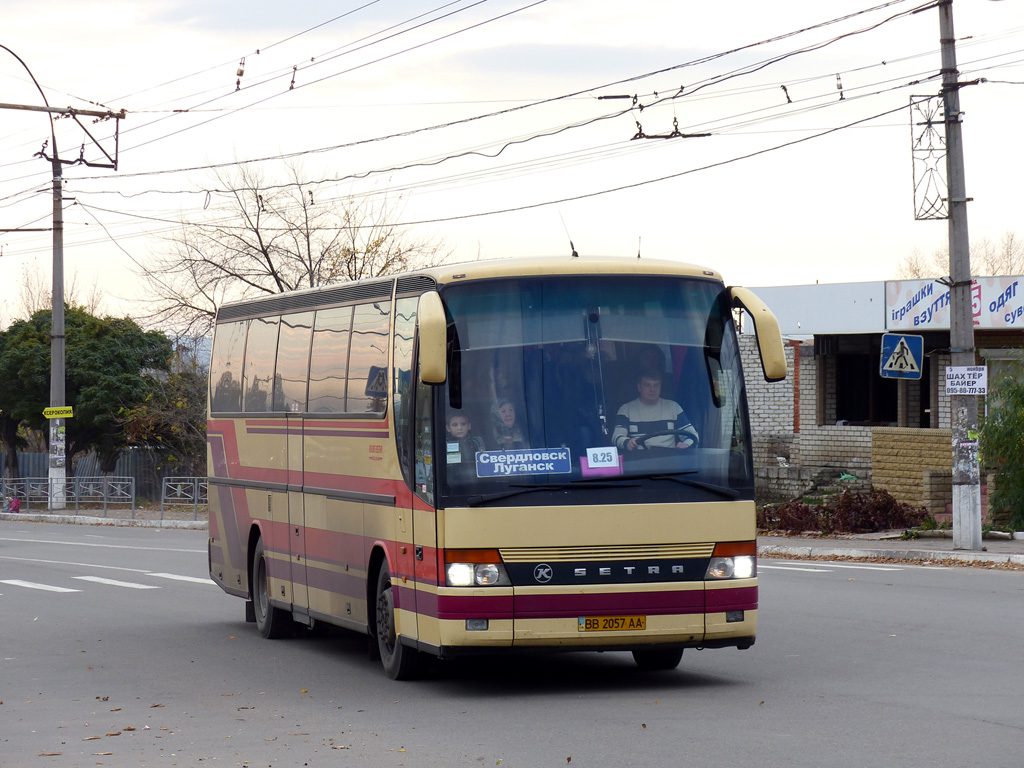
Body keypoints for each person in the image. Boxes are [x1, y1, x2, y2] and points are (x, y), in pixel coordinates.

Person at [613, 369, 698, 452]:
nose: (652, 389)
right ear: (639, 387)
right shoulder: (626, 410)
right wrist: (627, 442)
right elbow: (617, 437)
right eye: (647, 385)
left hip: (670, 461)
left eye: (656, 385)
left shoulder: (673, 407)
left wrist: (686, 445)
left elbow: (692, 434)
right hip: (639, 461)